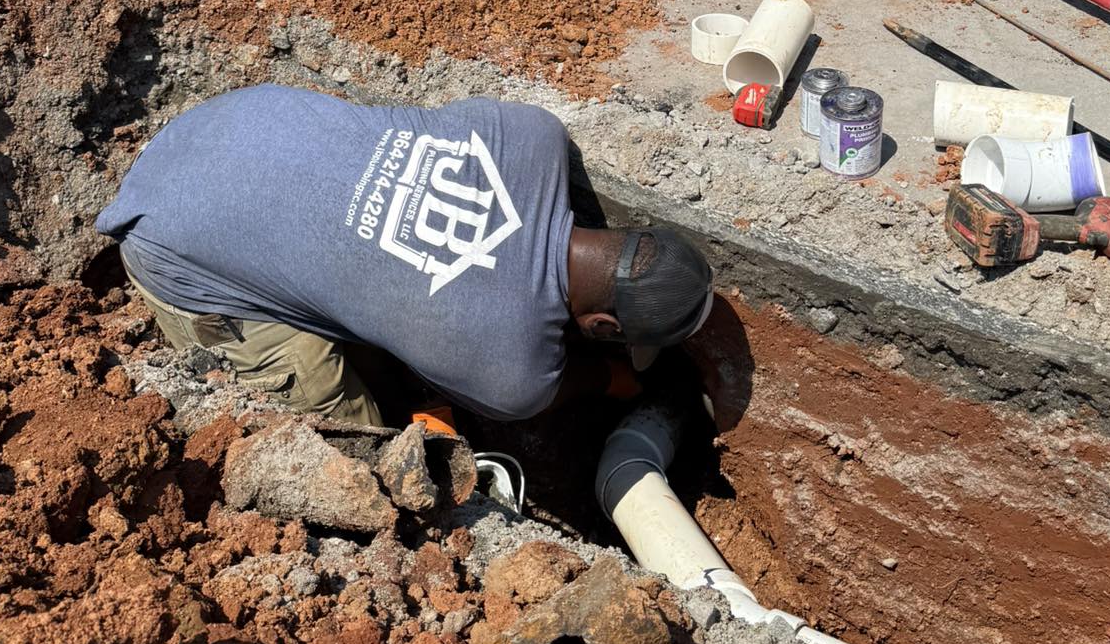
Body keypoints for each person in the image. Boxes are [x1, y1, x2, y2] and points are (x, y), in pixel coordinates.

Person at [96, 85, 715, 429]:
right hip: (175, 244)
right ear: (603, 328)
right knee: (349, 439)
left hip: (227, 123)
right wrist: (612, 379)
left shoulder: (532, 135)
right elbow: (540, 390)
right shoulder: (512, 375)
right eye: (610, 341)